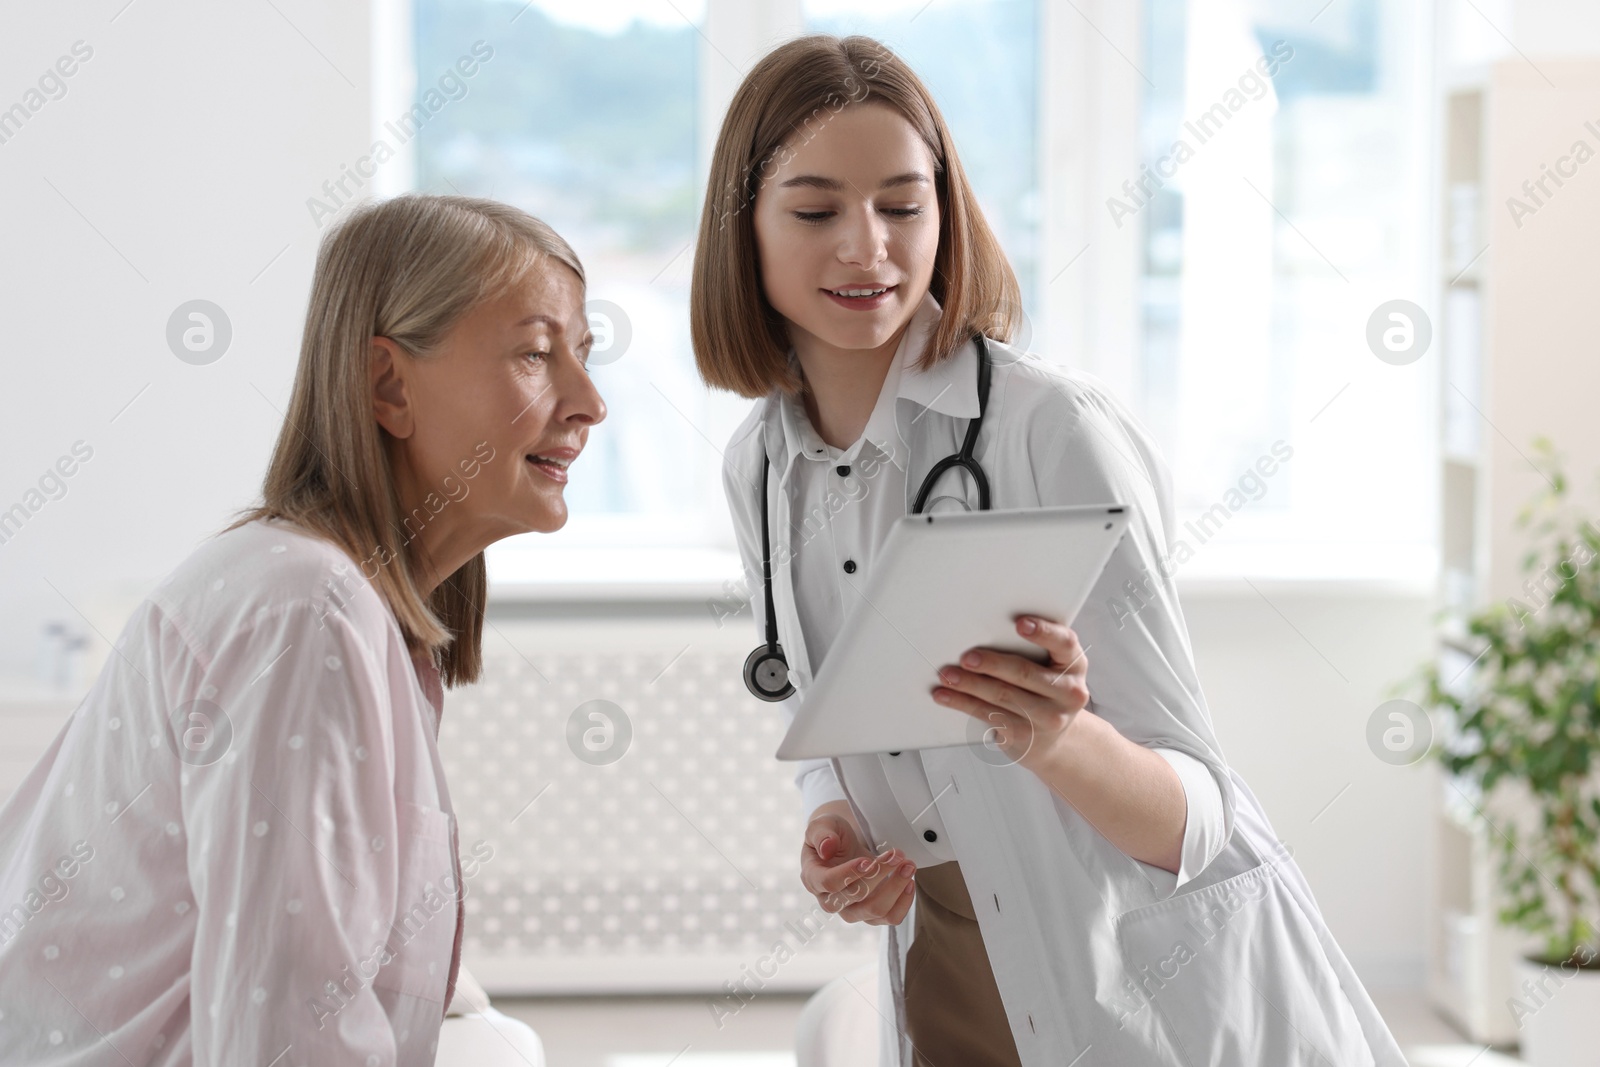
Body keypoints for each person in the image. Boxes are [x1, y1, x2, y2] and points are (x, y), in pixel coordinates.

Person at [691, 34, 1407, 1067]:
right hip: (942, 957)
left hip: (1140, 982)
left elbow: (1193, 817)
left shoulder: (1047, 430)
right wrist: (834, 817)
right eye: (813, 211)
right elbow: (825, 710)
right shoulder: (759, 464)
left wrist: (1053, 735)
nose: (867, 248)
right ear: (742, 229)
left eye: (903, 204)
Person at [0, 194, 602, 1065]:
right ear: (389, 384)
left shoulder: (339, 600)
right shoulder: (305, 612)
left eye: (583, 356)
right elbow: (284, 1030)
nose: (590, 402)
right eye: (537, 355)